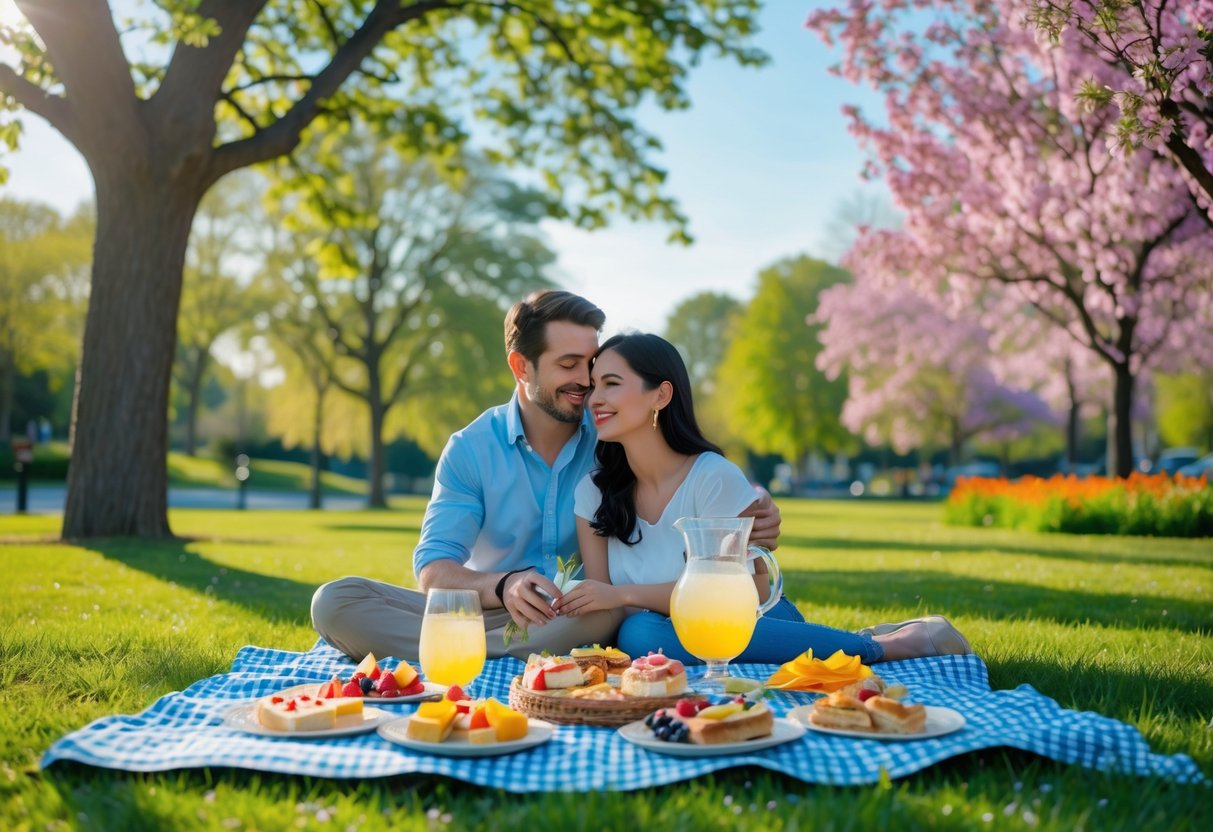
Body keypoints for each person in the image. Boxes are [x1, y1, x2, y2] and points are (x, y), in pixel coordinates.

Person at [310, 291, 782, 662]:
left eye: (593, 366)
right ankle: (482, 648)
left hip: (581, 616)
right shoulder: (471, 450)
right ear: (521, 366)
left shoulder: (613, 435)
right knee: (335, 601)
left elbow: (684, 465)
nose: (586, 382)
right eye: (568, 365)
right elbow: (433, 572)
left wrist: (753, 505)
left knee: (607, 616)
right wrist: (504, 586)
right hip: (489, 612)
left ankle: (455, 651)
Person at [554, 333, 972, 664]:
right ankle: (851, 641)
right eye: (593, 387)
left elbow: (747, 593)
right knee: (638, 634)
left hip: (752, 619)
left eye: (611, 384)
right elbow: (600, 597)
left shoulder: (712, 477)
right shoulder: (594, 491)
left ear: (661, 396)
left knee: (641, 634)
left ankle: (894, 646)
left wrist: (627, 597)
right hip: (658, 631)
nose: (595, 399)